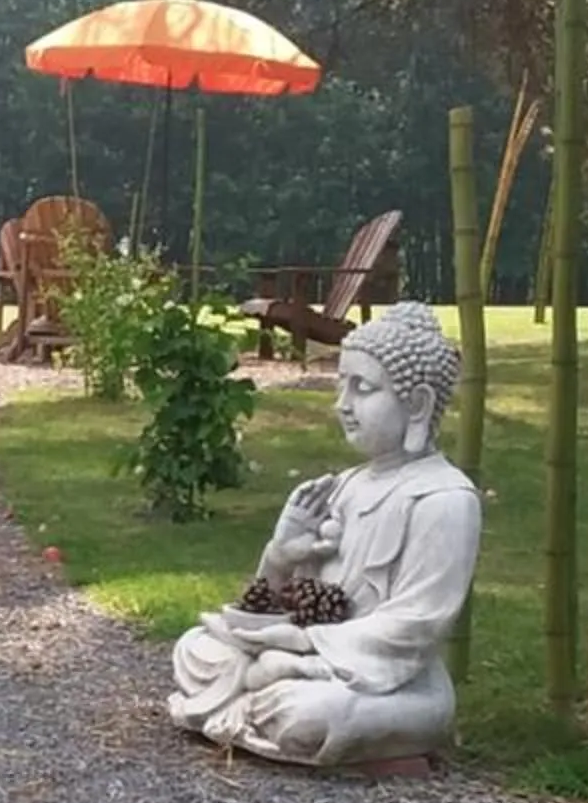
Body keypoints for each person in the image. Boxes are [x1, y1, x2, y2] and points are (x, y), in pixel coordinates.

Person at [168, 300, 482, 766]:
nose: (343, 405)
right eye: (341, 385)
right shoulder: (345, 487)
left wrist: (301, 650)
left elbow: (415, 627)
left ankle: (257, 707)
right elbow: (299, 600)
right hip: (306, 657)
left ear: (417, 405)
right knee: (194, 650)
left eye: (363, 388)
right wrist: (280, 557)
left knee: (311, 713)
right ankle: (258, 703)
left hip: (392, 683)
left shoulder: (446, 500)